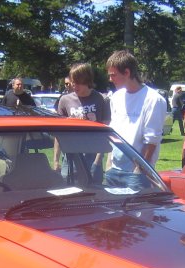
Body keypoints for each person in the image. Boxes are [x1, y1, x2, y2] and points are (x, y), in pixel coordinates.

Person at [106, 49, 166, 182]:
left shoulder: (153, 99)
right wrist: (109, 165)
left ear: (127, 72)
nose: (110, 79)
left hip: (137, 174)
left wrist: (138, 171)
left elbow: (151, 140)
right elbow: (113, 134)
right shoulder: (116, 98)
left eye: (113, 75)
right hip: (114, 170)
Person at [53, 63, 111, 179]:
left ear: (87, 80)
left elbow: (106, 133)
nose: (74, 86)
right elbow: (58, 133)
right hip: (70, 157)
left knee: (93, 193)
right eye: (73, 82)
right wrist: (55, 160)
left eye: (78, 82)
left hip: (93, 156)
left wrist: (97, 161)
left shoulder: (102, 99)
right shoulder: (65, 100)